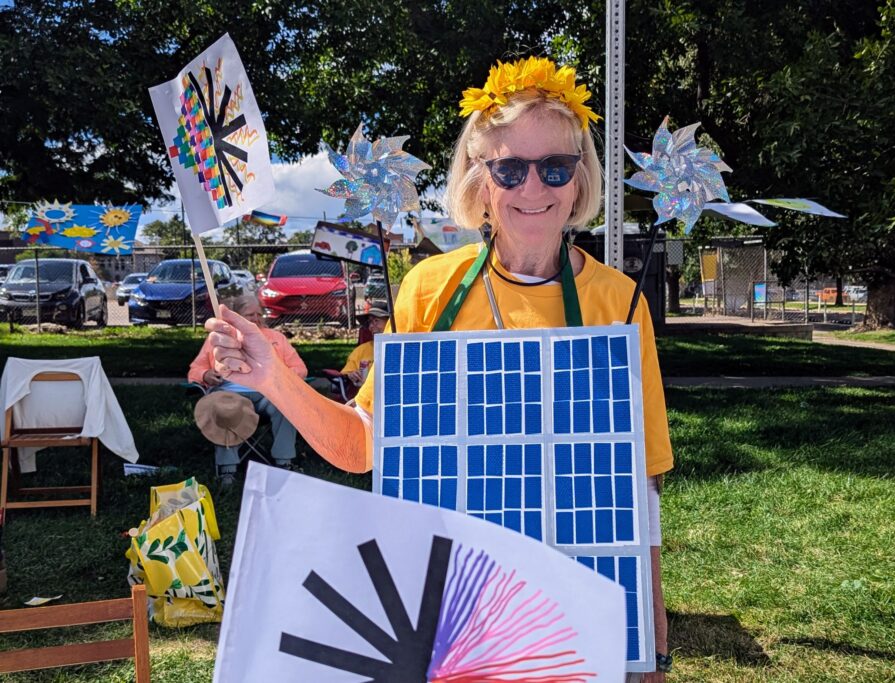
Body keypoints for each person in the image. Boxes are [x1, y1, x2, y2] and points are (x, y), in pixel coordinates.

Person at [204, 56, 673, 680]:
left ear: (580, 178)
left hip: (571, 618)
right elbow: (364, 445)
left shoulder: (622, 303)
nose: (534, 189)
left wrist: (650, 641)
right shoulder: (429, 289)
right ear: (480, 181)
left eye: (555, 167)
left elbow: (637, 489)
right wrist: (272, 379)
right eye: (510, 169)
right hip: (450, 615)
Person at [189, 299, 307, 485]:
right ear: (237, 317)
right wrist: (206, 374)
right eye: (250, 315)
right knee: (225, 408)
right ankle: (227, 470)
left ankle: (284, 463)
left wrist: (283, 376)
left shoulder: (276, 338)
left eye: (259, 314)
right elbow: (195, 370)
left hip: (269, 393)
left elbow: (299, 368)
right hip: (231, 393)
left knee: (286, 404)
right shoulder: (222, 338)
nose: (256, 318)